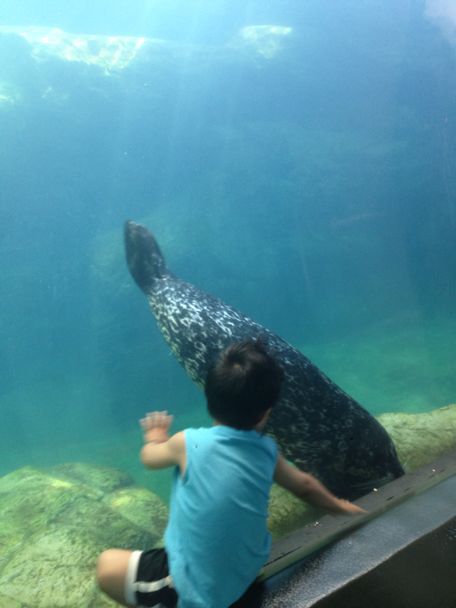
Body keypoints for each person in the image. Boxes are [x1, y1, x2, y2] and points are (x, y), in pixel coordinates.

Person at [96, 339, 365, 607]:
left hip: (193, 588)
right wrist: (340, 506)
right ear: (265, 413)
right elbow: (305, 486)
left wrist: (155, 437)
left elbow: (149, 459)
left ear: (208, 397)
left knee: (106, 566)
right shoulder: (267, 452)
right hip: (245, 579)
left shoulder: (188, 443)